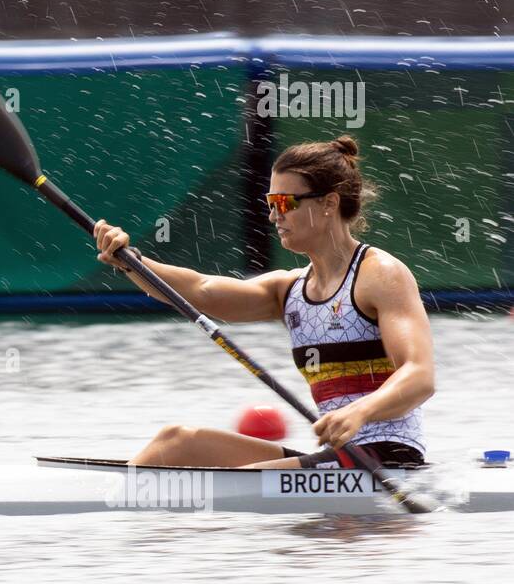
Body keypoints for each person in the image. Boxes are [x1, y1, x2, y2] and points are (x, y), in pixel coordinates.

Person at [95, 135, 433, 469]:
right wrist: (129, 259)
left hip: (387, 457)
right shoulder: (289, 289)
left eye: (284, 203)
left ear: (329, 203)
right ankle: (114, 508)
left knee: (244, 482)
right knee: (176, 442)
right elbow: (199, 289)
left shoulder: (380, 275)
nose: (274, 216)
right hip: (337, 461)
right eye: (270, 203)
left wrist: (361, 411)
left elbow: (419, 376)